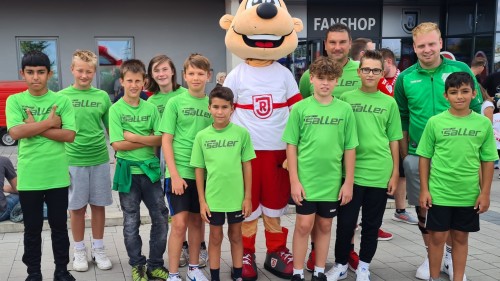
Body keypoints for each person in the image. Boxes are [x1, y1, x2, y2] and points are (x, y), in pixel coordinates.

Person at [394, 22, 482, 281]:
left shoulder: (460, 70)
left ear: (441, 44)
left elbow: (477, 111)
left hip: (456, 156)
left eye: (432, 44)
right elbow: (403, 119)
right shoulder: (406, 77)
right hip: (419, 155)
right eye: (421, 45)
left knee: (456, 207)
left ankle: (451, 258)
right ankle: (431, 253)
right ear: (414, 47)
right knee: (425, 208)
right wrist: (405, 157)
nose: (427, 50)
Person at [326, 50, 401, 281]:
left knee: (371, 224)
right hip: (351, 173)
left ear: (382, 73)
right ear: (359, 72)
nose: (370, 73)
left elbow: (394, 139)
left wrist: (395, 172)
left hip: (379, 171)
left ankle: (364, 266)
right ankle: (340, 264)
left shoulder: (389, 103)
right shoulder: (346, 99)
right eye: (366, 69)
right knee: (346, 224)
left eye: (375, 70)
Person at [417, 72, 497, 281]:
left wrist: (485, 193)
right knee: (437, 238)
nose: (459, 96)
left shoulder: (482, 124)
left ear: (473, 93)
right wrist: (424, 189)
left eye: (464, 91)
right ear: (446, 96)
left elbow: (488, 161)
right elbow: (424, 157)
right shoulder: (435, 122)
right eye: (454, 92)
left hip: (468, 193)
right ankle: (434, 278)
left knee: (461, 237)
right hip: (440, 192)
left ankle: (458, 278)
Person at [284, 56, 357, 281]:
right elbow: (291, 146)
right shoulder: (300, 108)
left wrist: (348, 182)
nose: (325, 83)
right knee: (304, 225)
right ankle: (297, 272)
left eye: (330, 79)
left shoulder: (344, 109)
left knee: (325, 225)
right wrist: (294, 181)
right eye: (321, 78)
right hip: (306, 179)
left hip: (331, 180)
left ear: (337, 81)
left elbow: (350, 148)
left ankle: (318, 271)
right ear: (312, 79)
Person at [6, 50, 77, 281]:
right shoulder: (15, 100)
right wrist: (50, 123)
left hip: (57, 175)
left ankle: (61, 271)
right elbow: (16, 132)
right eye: (30, 72)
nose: (35, 77)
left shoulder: (62, 101)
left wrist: (35, 127)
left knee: (59, 228)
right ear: (22, 74)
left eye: (40, 72)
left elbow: (69, 135)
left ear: (49, 74)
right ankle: (34, 273)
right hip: (30, 177)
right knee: (32, 229)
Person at [109, 59, 169, 281]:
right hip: (128, 173)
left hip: (150, 172)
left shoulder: (151, 108)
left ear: (144, 82)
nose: (133, 85)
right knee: (130, 222)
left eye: (138, 81)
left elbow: (161, 138)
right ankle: (137, 265)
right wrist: (147, 140)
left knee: (161, 218)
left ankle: (155, 265)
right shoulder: (115, 110)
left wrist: (133, 137)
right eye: (129, 81)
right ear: (122, 81)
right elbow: (117, 145)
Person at [191, 86, 255, 281]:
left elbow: (247, 166)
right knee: (215, 237)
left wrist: (247, 197)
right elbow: (199, 170)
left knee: (236, 236)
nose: (220, 112)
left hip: (236, 198)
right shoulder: (202, 136)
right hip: (214, 198)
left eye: (224, 107)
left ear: (232, 108)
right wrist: (202, 201)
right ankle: (215, 276)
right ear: (209, 108)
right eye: (216, 107)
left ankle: (238, 275)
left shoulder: (241, 134)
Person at [58, 50, 113, 272]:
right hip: (73, 160)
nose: (84, 75)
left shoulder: (102, 96)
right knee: (77, 208)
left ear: (94, 71)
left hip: (99, 158)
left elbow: (111, 129)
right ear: (72, 69)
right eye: (80, 70)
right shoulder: (61, 97)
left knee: (98, 206)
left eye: (88, 71)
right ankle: (79, 250)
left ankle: (98, 248)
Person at [160, 53, 213, 281]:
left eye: (200, 73)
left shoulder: (212, 104)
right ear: (184, 75)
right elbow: (166, 140)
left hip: (202, 174)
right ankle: (173, 273)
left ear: (208, 76)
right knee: (179, 224)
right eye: (191, 73)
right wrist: (174, 174)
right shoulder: (175, 102)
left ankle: (193, 268)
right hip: (179, 172)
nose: (196, 77)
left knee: (197, 224)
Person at [379, 48, 418, 225]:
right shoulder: (376, 79)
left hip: (401, 132)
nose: (376, 70)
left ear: (388, 62)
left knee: (402, 172)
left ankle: (400, 210)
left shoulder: (404, 79)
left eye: (380, 66)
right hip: (380, 134)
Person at [0, 156, 19, 222]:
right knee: (21, 196)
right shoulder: (3, 160)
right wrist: (4, 188)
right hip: (1, 212)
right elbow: (18, 189)